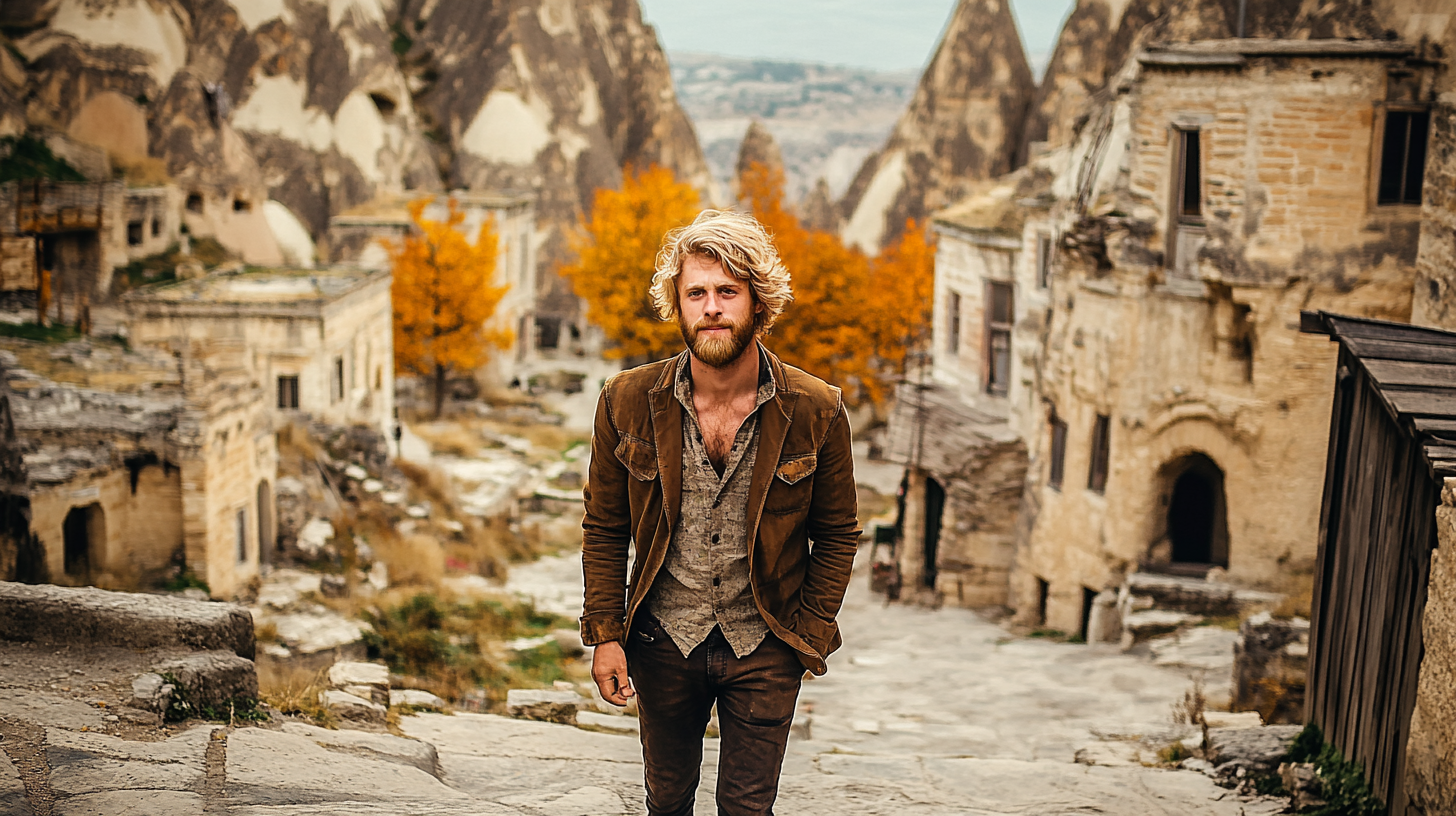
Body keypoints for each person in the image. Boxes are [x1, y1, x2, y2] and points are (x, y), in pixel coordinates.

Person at [579, 209, 860, 816]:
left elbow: (838, 536)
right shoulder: (625, 401)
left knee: (747, 810)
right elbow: (605, 529)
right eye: (696, 292)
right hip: (661, 641)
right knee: (668, 802)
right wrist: (605, 636)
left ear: (759, 303)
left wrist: (804, 636)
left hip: (765, 643)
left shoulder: (817, 409)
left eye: (728, 291)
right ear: (676, 305)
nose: (711, 307)